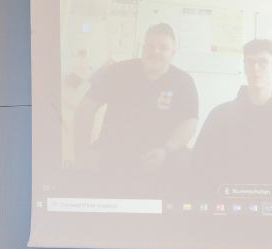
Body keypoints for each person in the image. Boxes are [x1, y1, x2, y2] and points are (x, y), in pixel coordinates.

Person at [71, 23, 198, 175]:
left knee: (186, 167)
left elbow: (189, 123)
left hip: (161, 156)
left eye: (163, 47)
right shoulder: (117, 71)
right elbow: (86, 108)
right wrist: (81, 153)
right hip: (113, 155)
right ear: (143, 49)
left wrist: (167, 150)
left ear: (173, 53)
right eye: (150, 46)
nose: (155, 51)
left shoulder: (184, 82)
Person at [192, 38, 272, 179]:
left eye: (263, 62)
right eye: (250, 62)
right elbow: (199, 164)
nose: (255, 68)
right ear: (244, 67)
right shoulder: (221, 115)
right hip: (229, 196)